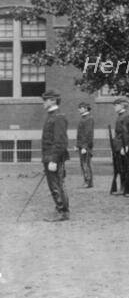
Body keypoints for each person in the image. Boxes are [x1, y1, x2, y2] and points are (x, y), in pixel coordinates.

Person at [41, 90, 70, 222]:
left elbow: (60, 141)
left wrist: (54, 160)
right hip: (49, 157)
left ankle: (62, 212)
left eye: (46, 100)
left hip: (53, 158)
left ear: (53, 100)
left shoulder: (58, 117)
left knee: (56, 185)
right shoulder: (52, 116)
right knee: (56, 184)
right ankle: (62, 209)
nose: (44, 102)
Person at [112, 97, 129, 195]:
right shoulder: (120, 116)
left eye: (116, 105)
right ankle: (122, 187)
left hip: (122, 144)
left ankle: (125, 188)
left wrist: (125, 146)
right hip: (118, 144)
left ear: (122, 105)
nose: (114, 107)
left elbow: (126, 132)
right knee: (120, 167)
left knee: (124, 167)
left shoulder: (125, 116)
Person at [76, 102, 94, 188]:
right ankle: (86, 180)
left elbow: (88, 134)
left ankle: (88, 182)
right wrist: (77, 145)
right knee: (83, 164)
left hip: (85, 146)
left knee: (86, 164)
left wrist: (85, 146)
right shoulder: (83, 118)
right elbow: (80, 134)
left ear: (86, 108)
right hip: (81, 145)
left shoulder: (89, 119)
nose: (79, 109)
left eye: (81, 108)